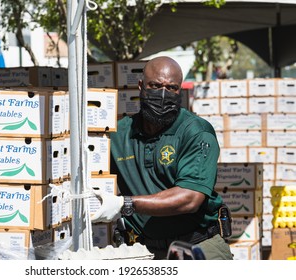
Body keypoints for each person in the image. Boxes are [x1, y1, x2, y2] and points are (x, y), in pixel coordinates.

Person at [91, 56, 233, 260]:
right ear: (141, 86)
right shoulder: (119, 135)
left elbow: (189, 198)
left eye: (172, 88)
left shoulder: (196, 132)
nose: (163, 95)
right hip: (142, 248)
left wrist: (125, 204)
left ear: (180, 90)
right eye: (155, 85)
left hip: (197, 245)